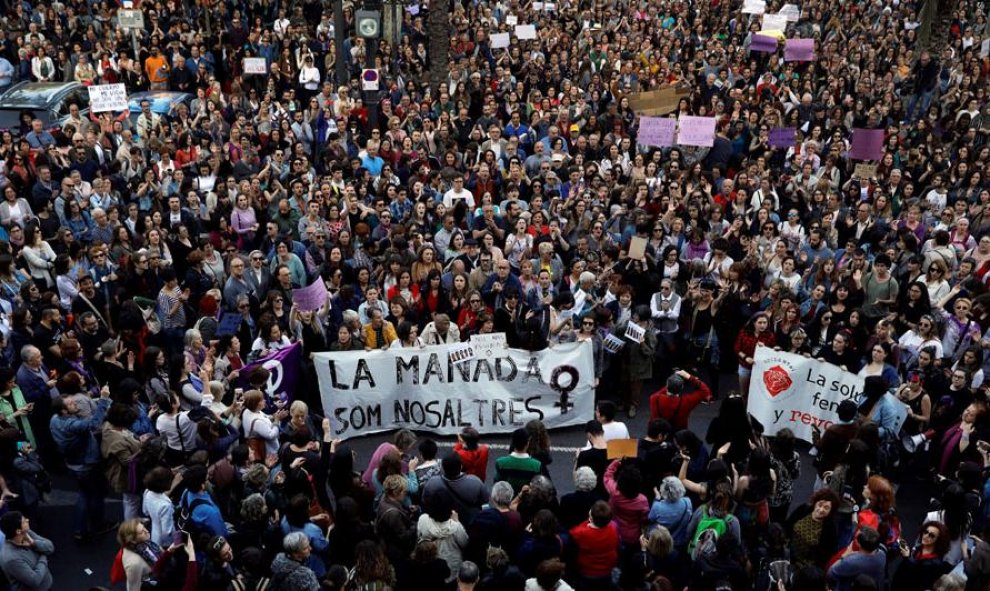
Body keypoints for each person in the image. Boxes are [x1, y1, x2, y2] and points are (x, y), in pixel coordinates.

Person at [49, 384, 113, 542]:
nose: (75, 404)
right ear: (63, 410)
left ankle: (80, 529)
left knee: (84, 495)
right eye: (71, 404)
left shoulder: (55, 420)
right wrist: (103, 400)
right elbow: (93, 424)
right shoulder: (72, 424)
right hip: (87, 465)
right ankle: (98, 526)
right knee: (96, 495)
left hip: (73, 464)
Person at [0, 511, 54, 591]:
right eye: (24, 521)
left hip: (47, 586)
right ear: (18, 531)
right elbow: (35, 580)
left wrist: (33, 543)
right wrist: (43, 555)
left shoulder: (27, 533)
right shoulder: (11, 558)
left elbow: (50, 547)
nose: (27, 520)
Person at [827, 526, 887, 591]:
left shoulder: (851, 561)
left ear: (859, 544)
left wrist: (844, 556)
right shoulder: (882, 553)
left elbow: (831, 573)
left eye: (855, 538)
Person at [495, 428, 543, 493]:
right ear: (527, 443)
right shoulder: (537, 465)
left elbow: (497, 486)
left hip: (507, 501)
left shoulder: (500, 463)